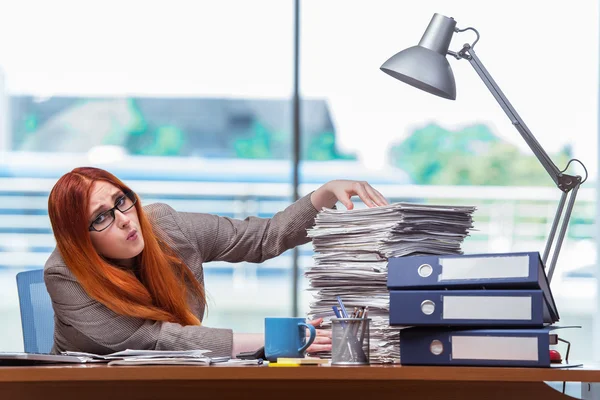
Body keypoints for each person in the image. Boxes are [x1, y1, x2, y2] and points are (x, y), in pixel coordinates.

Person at [44, 167, 389, 357]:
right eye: (100, 218)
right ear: (80, 238)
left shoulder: (166, 227)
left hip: (173, 382)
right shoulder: (64, 273)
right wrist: (279, 340)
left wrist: (325, 193)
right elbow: (156, 341)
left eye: (122, 201)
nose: (123, 219)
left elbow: (262, 238)